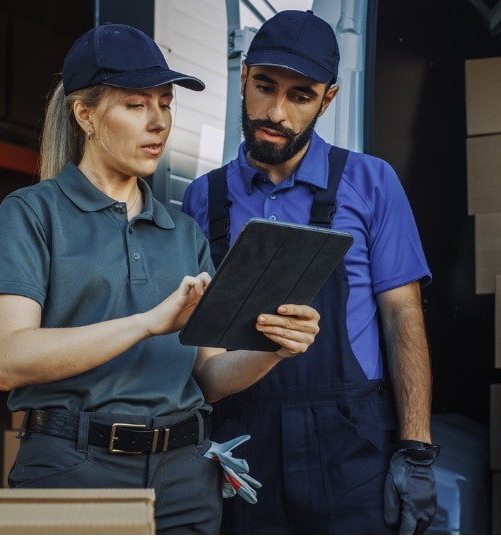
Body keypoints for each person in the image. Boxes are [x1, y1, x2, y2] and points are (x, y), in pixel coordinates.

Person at [0, 23, 321, 535]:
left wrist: (274, 348)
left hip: (186, 477)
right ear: (84, 114)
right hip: (74, 470)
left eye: (165, 103)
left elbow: (207, 378)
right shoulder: (31, 214)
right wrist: (147, 323)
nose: (158, 122)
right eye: (136, 105)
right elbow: (8, 360)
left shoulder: (183, 232)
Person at [181, 9, 440, 535]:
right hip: (242, 447)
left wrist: (415, 450)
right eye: (264, 86)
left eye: (300, 96)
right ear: (244, 76)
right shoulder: (201, 198)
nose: (275, 111)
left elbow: (402, 319)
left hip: (350, 445)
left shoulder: (371, 182)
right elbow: (195, 350)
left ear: (328, 99)